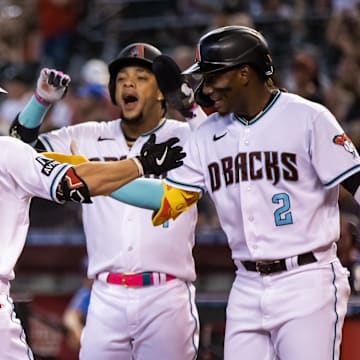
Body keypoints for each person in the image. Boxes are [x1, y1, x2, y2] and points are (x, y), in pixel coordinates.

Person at [120, 26, 360, 360]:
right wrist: (103, 181)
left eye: (213, 76)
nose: (207, 87)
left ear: (244, 73)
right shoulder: (207, 134)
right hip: (246, 284)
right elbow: (169, 198)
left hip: (308, 279)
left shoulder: (307, 117)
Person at [11, 44, 203, 360]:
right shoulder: (86, 136)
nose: (128, 84)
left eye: (142, 77)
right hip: (104, 295)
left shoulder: (187, 136)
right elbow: (18, 149)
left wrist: (189, 106)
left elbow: (225, 149)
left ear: (159, 92)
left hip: (166, 294)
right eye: (122, 78)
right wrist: (41, 102)